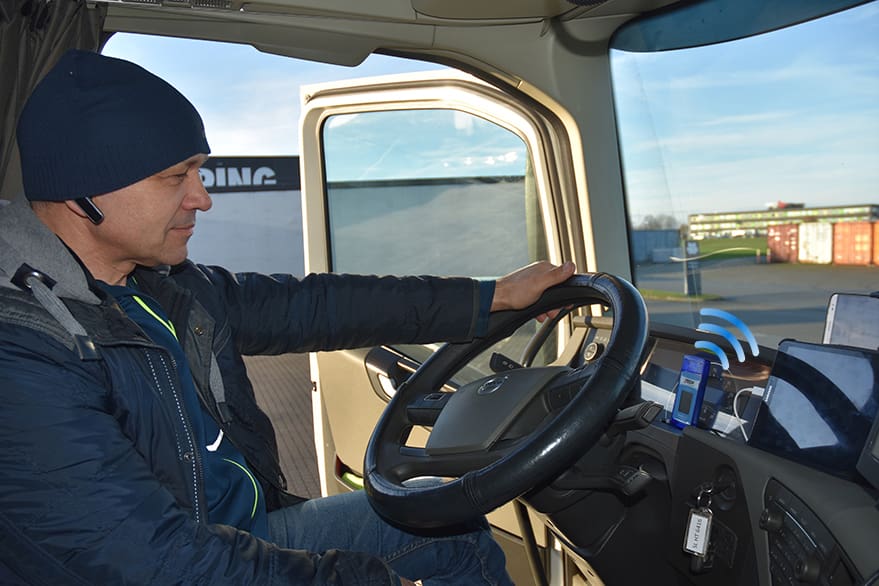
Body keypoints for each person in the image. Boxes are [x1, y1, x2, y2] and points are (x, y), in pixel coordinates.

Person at [0, 49, 576, 585]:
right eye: (176, 177)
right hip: (185, 564)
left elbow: (318, 304)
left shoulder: (165, 286)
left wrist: (489, 297)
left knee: (443, 514)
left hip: (237, 534)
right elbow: (153, 562)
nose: (201, 197)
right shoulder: (24, 349)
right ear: (83, 194)